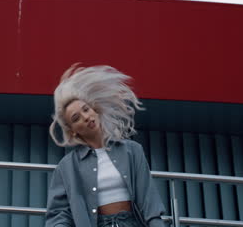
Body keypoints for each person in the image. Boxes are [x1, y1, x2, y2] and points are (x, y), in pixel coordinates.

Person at [45, 64, 166, 227]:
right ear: (73, 131)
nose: (86, 117)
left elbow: (148, 201)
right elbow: (58, 214)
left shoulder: (132, 151)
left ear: (95, 110)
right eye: (76, 118)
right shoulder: (67, 167)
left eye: (86, 109)